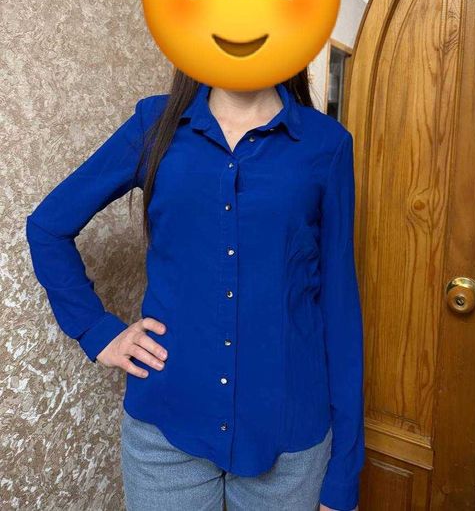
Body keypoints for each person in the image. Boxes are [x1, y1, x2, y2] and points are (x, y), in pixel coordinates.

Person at [25, 67, 364, 511]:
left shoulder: (327, 144)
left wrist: (343, 475)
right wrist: (95, 330)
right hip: (165, 437)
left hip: (288, 443)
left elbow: (340, 309)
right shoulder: (154, 124)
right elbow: (47, 227)